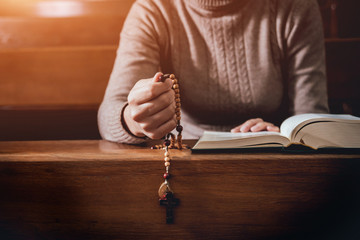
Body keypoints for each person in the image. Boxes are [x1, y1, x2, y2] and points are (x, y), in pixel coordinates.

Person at [98, 0, 329, 144]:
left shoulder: (294, 7)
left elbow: (312, 118)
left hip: (270, 160)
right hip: (184, 161)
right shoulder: (153, 9)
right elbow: (110, 112)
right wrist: (135, 119)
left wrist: (281, 136)